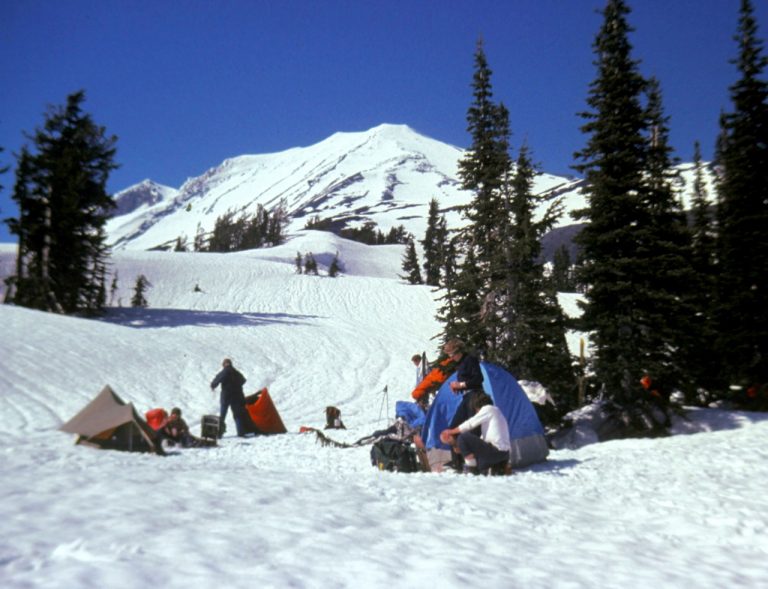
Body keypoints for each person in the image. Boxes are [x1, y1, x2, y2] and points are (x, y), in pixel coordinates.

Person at [439, 392, 510, 475]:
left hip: (495, 452)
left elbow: (470, 424)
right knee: (477, 456)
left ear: (477, 406)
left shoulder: (488, 409)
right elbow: (484, 440)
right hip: (504, 455)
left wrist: (450, 431)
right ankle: (494, 468)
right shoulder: (497, 412)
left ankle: (472, 470)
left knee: (463, 438)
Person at [210, 358, 249, 438]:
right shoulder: (235, 372)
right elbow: (243, 380)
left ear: (224, 364)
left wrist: (213, 385)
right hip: (236, 397)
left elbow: (217, 379)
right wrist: (236, 386)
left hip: (226, 397)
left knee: (222, 416)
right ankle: (241, 433)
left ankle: (219, 434)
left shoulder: (224, 371)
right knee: (237, 415)